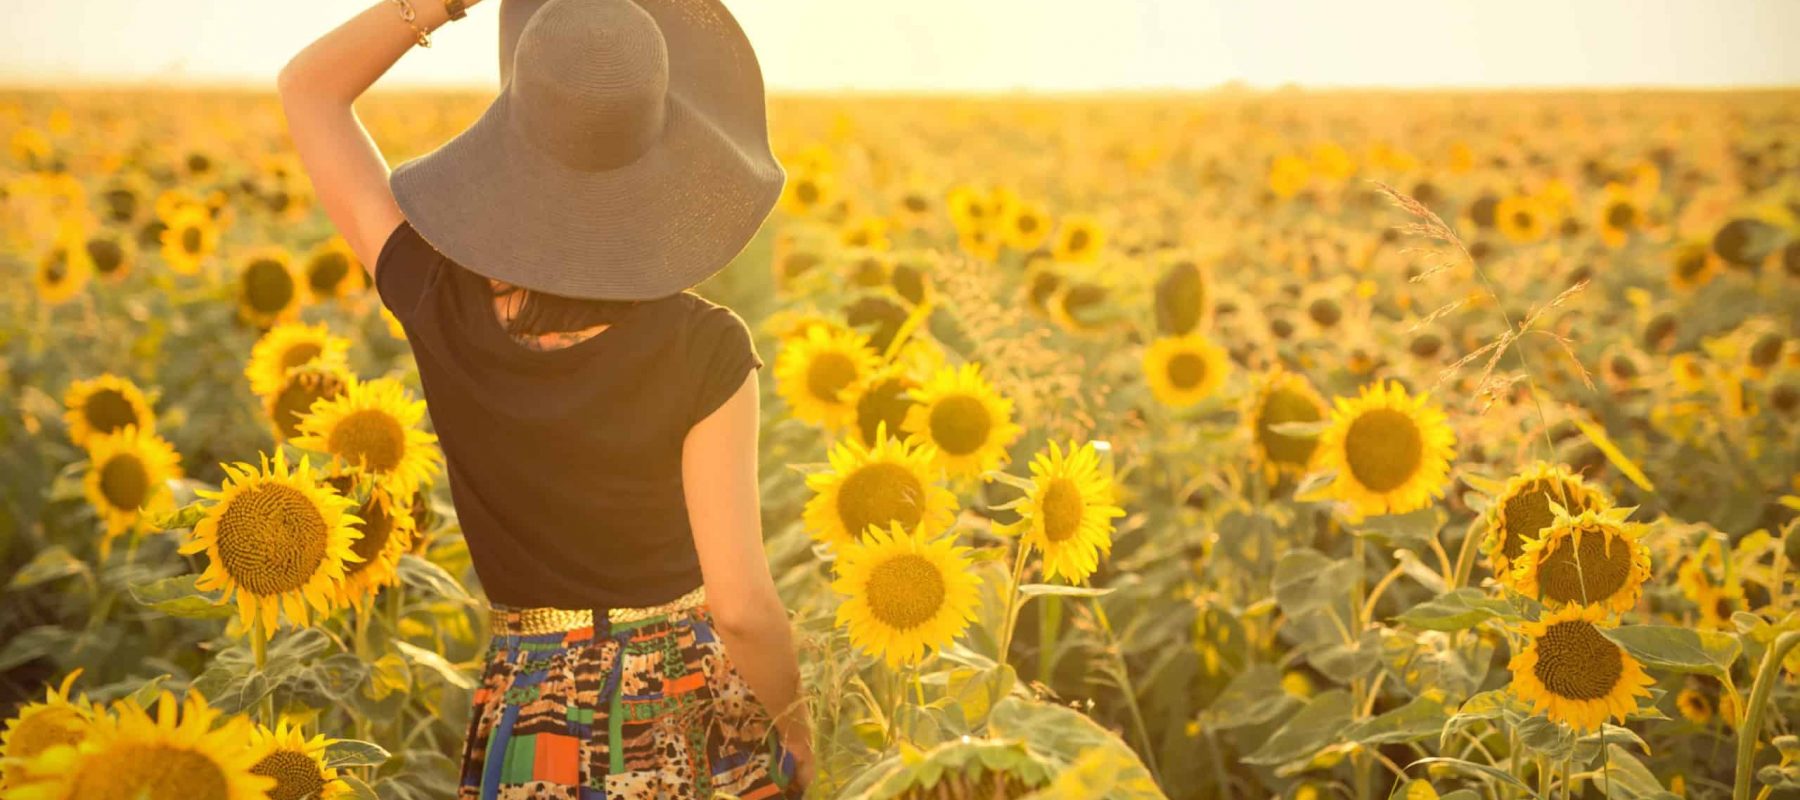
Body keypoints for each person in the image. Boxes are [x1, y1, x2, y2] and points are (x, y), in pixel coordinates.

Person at [275, 0, 815, 796]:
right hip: (690, 710)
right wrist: (796, 730)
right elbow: (739, 605)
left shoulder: (433, 297)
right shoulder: (706, 348)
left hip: (532, 713)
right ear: (667, 151)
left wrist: (439, 4)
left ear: (512, 137)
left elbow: (309, 90)